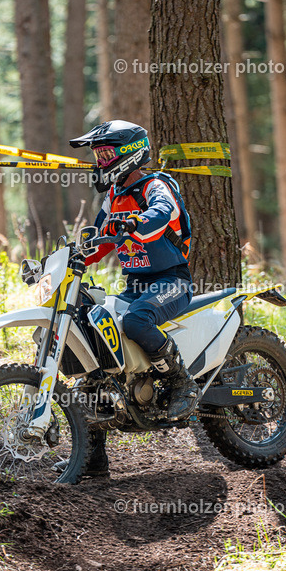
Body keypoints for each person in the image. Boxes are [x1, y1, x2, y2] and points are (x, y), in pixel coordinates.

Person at [66, 120, 197, 476]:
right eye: (97, 155)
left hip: (171, 280)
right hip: (135, 284)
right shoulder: (112, 197)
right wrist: (71, 255)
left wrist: (133, 224)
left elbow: (161, 215)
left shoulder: (156, 185)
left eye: (105, 154)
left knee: (136, 320)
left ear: (128, 154)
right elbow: (98, 240)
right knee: (93, 342)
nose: (100, 162)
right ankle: (92, 457)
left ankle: (180, 383)